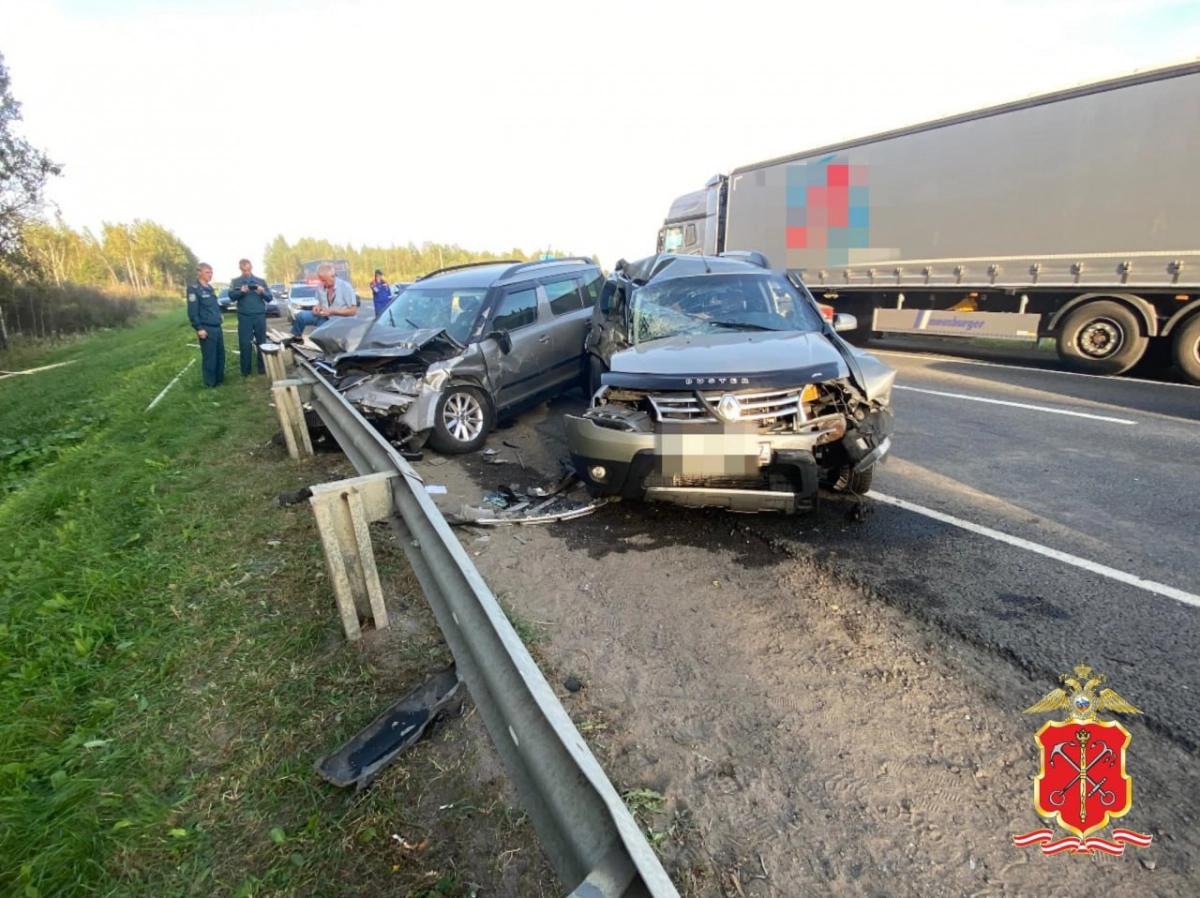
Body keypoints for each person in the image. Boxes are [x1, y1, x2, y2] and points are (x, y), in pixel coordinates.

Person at [228, 258, 273, 376]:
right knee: (245, 343)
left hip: (259, 315)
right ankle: (245, 371)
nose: (247, 272)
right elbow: (231, 296)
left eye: (248, 270)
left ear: (251, 268)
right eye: (244, 270)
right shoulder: (236, 282)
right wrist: (241, 292)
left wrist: (262, 292)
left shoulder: (260, 281)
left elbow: (269, 298)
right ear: (240, 269)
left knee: (261, 342)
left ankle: (262, 368)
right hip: (244, 316)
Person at [290, 263, 358, 336]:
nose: (323, 283)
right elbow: (320, 302)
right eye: (321, 280)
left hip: (341, 321)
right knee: (301, 316)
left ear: (333, 276)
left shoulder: (345, 287)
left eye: (325, 280)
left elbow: (353, 311)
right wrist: (317, 307)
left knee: (321, 335)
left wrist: (333, 311)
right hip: (325, 318)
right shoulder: (321, 286)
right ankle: (296, 338)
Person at [186, 263, 225, 387]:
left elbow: (213, 306)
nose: (210, 275)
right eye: (207, 272)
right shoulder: (194, 289)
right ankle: (210, 383)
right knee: (210, 356)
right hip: (206, 327)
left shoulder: (209, 288)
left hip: (217, 326)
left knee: (220, 354)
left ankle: (219, 379)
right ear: (199, 272)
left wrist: (219, 315)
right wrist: (199, 328)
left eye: (211, 272)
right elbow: (193, 311)